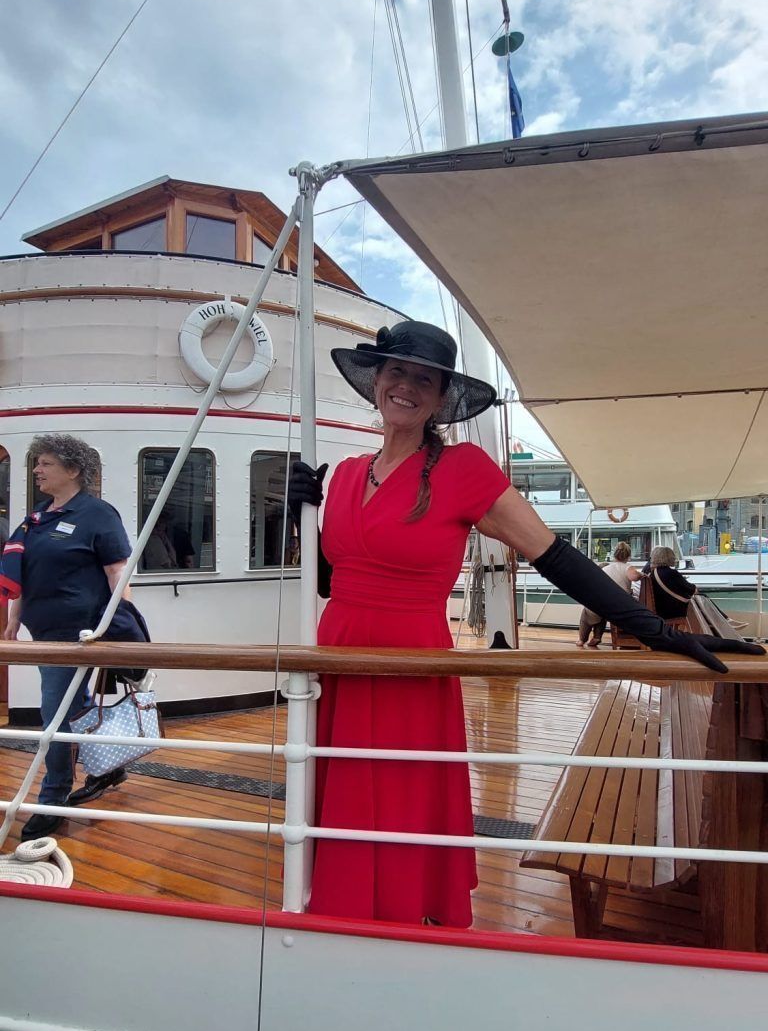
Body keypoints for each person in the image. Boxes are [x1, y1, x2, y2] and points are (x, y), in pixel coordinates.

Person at [289, 321, 764, 928]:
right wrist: (299, 512)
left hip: (411, 662)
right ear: (376, 380)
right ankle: (347, 910)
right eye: (396, 372)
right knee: (343, 792)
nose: (405, 387)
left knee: (400, 794)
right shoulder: (349, 473)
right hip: (339, 661)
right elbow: (335, 582)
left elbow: (555, 556)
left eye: (423, 379)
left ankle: (398, 917)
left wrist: (663, 632)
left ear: (439, 399)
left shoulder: (464, 470)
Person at [0, 434, 135, 840]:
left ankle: (53, 799)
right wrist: (13, 621)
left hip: (78, 636)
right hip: (45, 634)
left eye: (45, 463)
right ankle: (109, 768)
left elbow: (118, 573)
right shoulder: (39, 516)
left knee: (53, 715)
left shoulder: (97, 514)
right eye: (36, 464)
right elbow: (24, 571)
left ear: (73, 470)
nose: (37, 471)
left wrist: (117, 624)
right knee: (73, 708)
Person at [577, 541, 642, 649]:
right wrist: (641, 574)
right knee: (603, 614)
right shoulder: (627, 567)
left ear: (614, 554)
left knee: (588, 614)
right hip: (620, 604)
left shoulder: (606, 569)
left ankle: (582, 639)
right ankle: (596, 637)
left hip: (604, 601)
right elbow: (634, 577)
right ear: (629, 556)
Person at [644, 545, 697, 621]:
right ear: (670, 557)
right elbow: (692, 590)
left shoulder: (654, 572)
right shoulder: (671, 573)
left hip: (661, 610)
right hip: (672, 612)